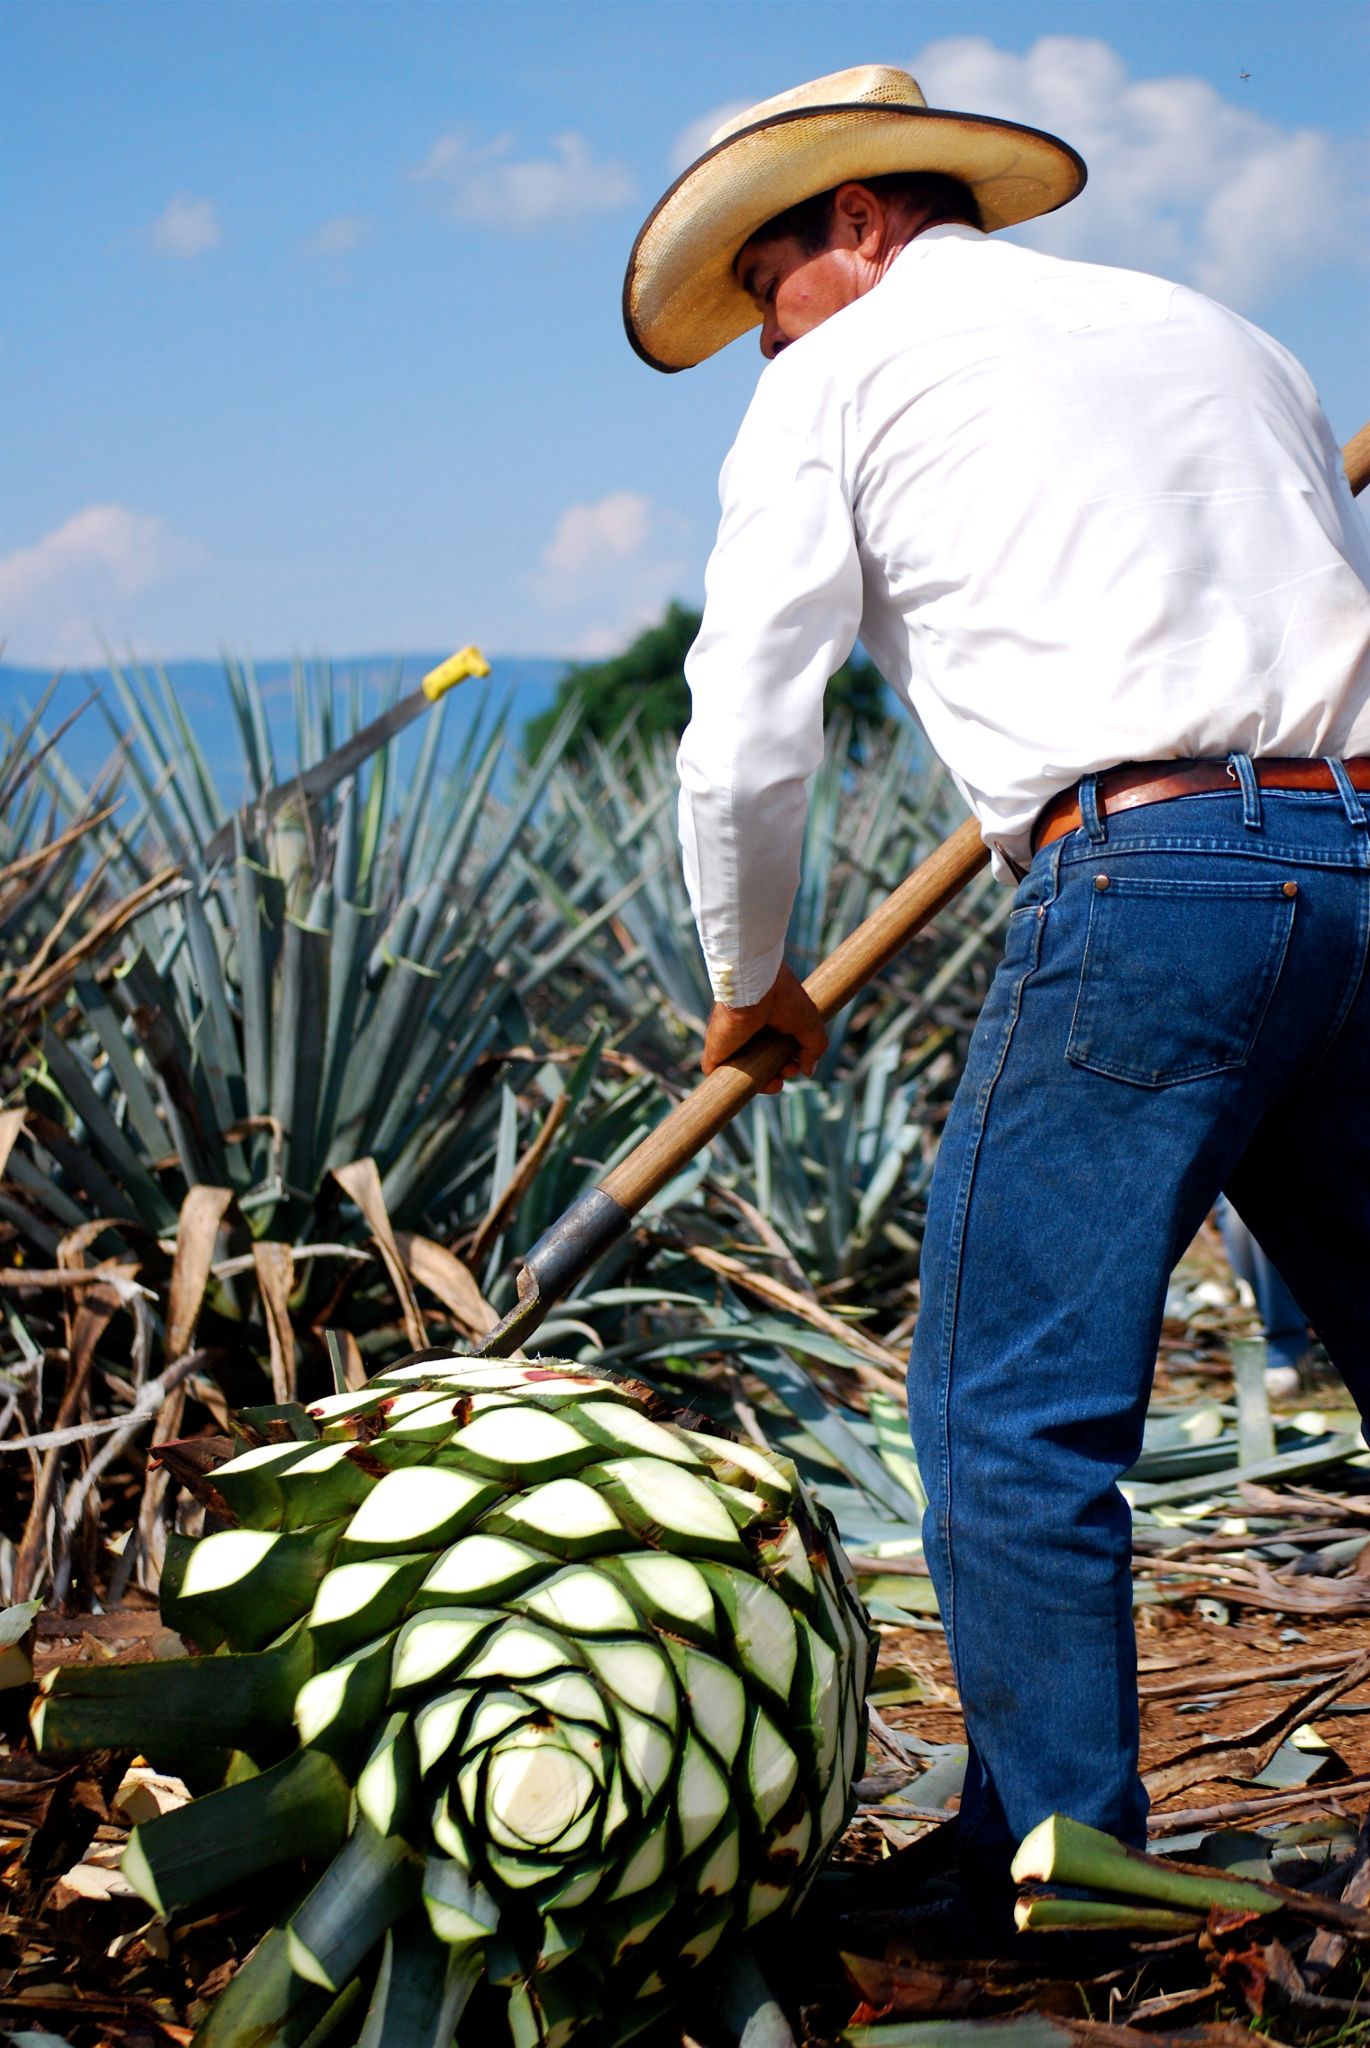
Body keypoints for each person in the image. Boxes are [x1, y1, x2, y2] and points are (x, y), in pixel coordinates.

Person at [622, 65, 1370, 1916]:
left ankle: (1054, 1858)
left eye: (763, 286)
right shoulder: (1219, 330)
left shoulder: (841, 377)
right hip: (1359, 849)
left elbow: (740, 736)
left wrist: (751, 983)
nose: (757, 339)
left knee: (1003, 1409)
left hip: (1152, 886)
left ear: (859, 223)